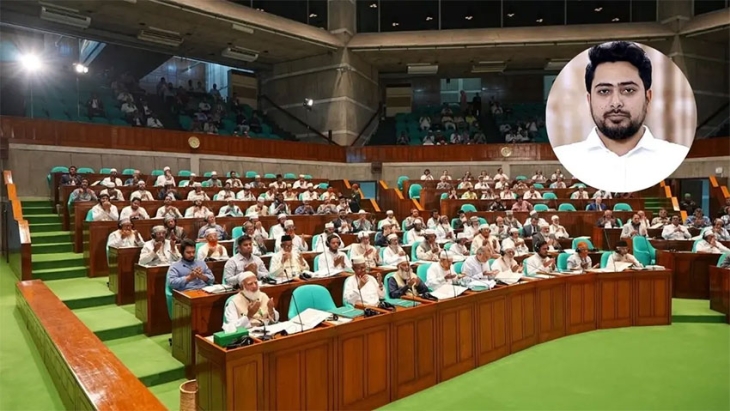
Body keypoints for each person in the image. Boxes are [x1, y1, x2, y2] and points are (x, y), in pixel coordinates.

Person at [553, 41, 689, 192]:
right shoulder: (567, 156)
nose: (616, 103)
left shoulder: (675, 156)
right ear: (589, 100)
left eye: (628, 90)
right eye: (604, 91)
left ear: (648, 97)